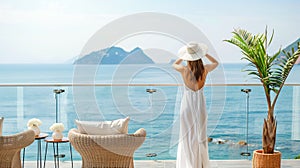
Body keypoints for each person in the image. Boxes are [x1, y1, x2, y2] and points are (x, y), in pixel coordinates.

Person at [173, 42, 218, 168]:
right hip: (200, 106)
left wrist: (183, 56)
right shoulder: (205, 69)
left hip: (187, 105)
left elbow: (174, 64)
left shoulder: (184, 70)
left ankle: (188, 164)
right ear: (199, 56)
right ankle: (200, 163)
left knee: (186, 135)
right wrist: (204, 54)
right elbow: (216, 63)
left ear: (188, 58)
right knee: (200, 135)